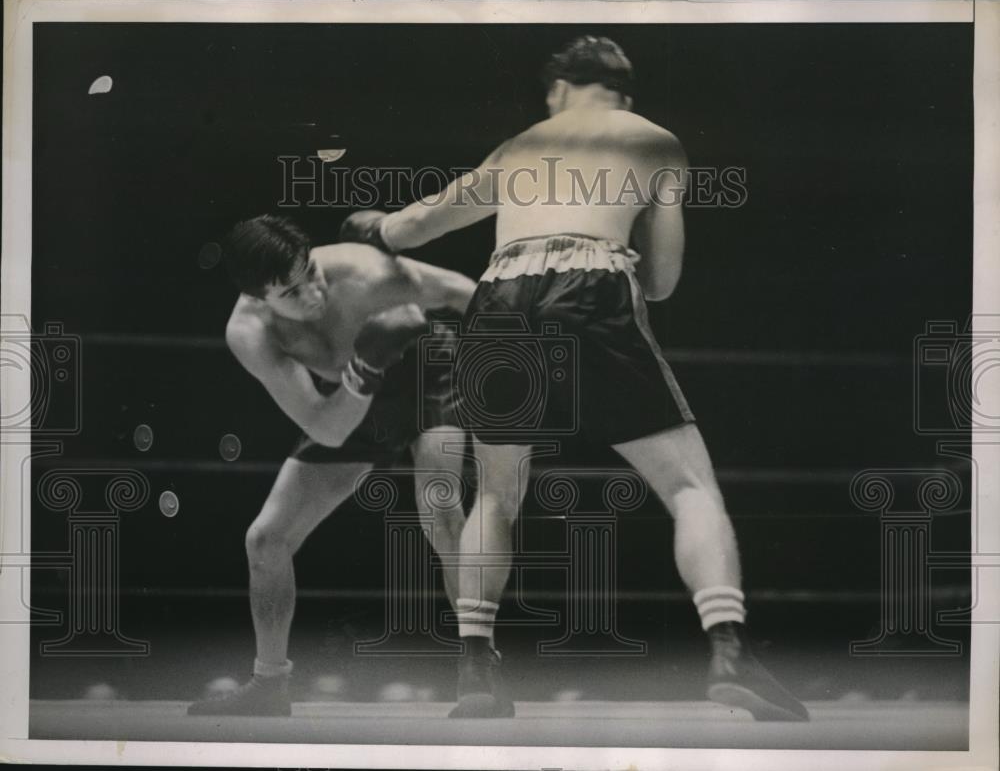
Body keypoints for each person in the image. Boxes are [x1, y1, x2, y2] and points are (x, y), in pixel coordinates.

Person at [339, 36, 809, 721]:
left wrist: (376, 228)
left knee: (497, 494)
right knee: (687, 485)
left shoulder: (523, 142)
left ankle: (475, 669)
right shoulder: (656, 142)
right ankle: (728, 649)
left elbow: (417, 225)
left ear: (559, 87)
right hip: (594, 283)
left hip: (500, 293)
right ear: (624, 91)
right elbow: (665, 281)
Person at [187, 214, 476, 716]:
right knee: (266, 539)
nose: (313, 293)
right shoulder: (250, 332)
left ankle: (480, 673)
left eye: (311, 274)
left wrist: (516, 362)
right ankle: (269, 685)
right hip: (354, 398)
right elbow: (327, 428)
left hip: (429, 371)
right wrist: (366, 366)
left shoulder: (364, 270)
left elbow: (463, 291)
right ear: (259, 297)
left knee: (440, 507)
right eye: (291, 293)